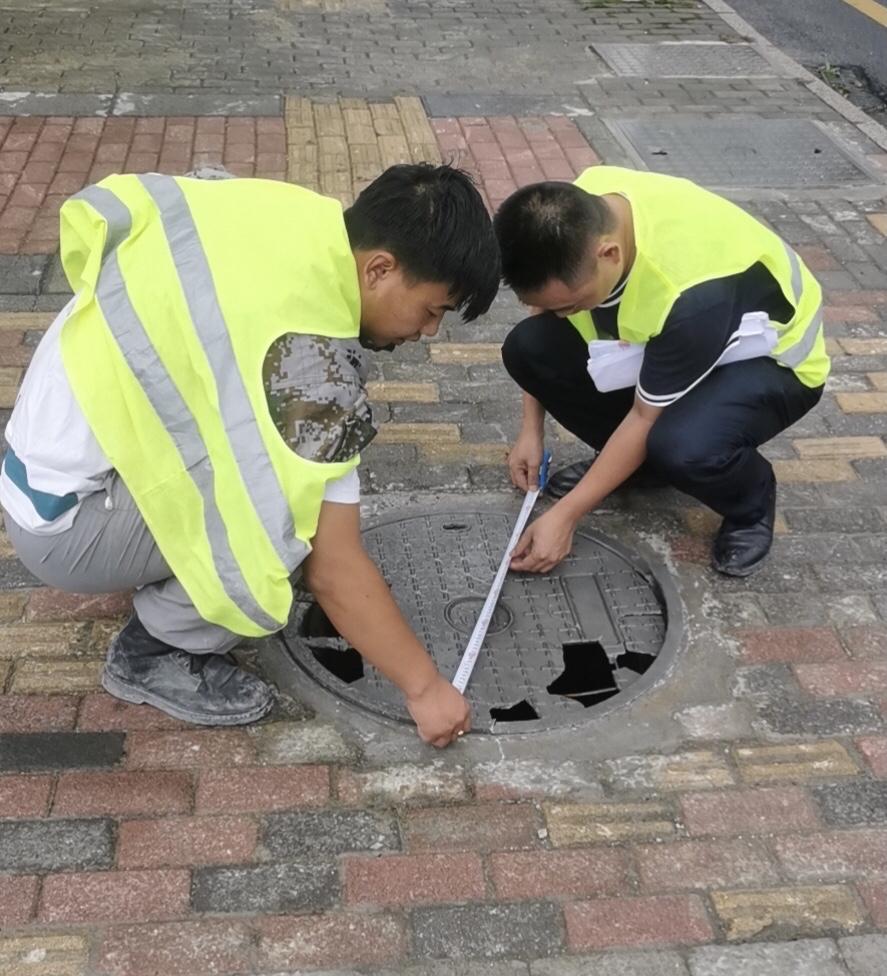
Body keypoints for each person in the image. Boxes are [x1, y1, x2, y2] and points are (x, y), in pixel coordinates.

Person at [1, 163, 499, 748]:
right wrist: (424, 689)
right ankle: (151, 652)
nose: (430, 332)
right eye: (432, 310)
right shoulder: (310, 368)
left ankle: (161, 571)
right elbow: (333, 567)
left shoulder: (291, 215)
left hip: (38, 462)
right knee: (286, 521)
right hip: (64, 525)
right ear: (380, 268)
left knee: (272, 482)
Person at [494, 167, 829, 577]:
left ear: (609, 254)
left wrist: (566, 515)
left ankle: (751, 504)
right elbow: (546, 300)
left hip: (769, 360)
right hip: (682, 341)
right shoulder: (574, 213)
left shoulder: (689, 297)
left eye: (572, 303)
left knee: (682, 446)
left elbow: (643, 417)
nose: (563, 315)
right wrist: (531, 432)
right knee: (528, 348)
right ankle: (644, 470)